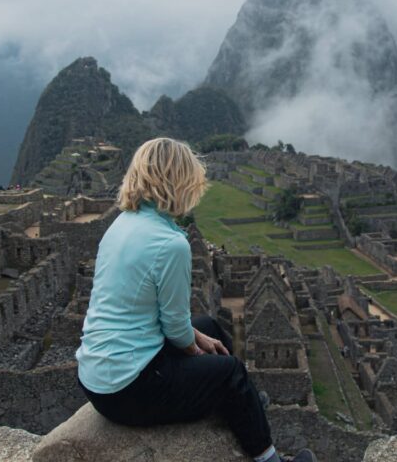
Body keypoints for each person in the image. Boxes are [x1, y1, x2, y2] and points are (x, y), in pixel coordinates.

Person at [75, 138, 314, 462]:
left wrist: (198, 339)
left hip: (96, 376)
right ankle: (268, 457)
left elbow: (169, 323)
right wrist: (198, 350)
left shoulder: (121, 224)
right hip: (129, 389)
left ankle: (244, 400)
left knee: (211, 327)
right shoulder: (170, 243)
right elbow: (174, 328)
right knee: (229, 371)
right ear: (180, 183)